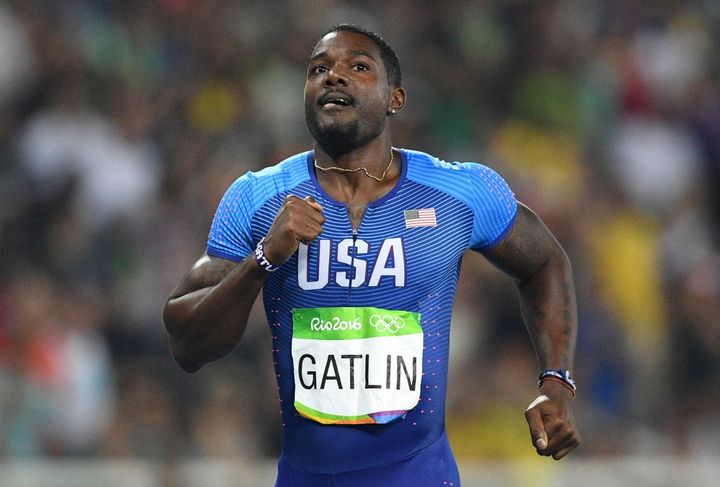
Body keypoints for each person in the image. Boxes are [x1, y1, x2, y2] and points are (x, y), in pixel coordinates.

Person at [163, 24, 580, 486]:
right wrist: (264, 258)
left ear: (395, 99)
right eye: (318, 69)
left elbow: (545, 261)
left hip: (419, 474)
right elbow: (188, 343)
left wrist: (556, 383)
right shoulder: (258, 199)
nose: (333, 76)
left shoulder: (459, 191)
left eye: (357, 67)